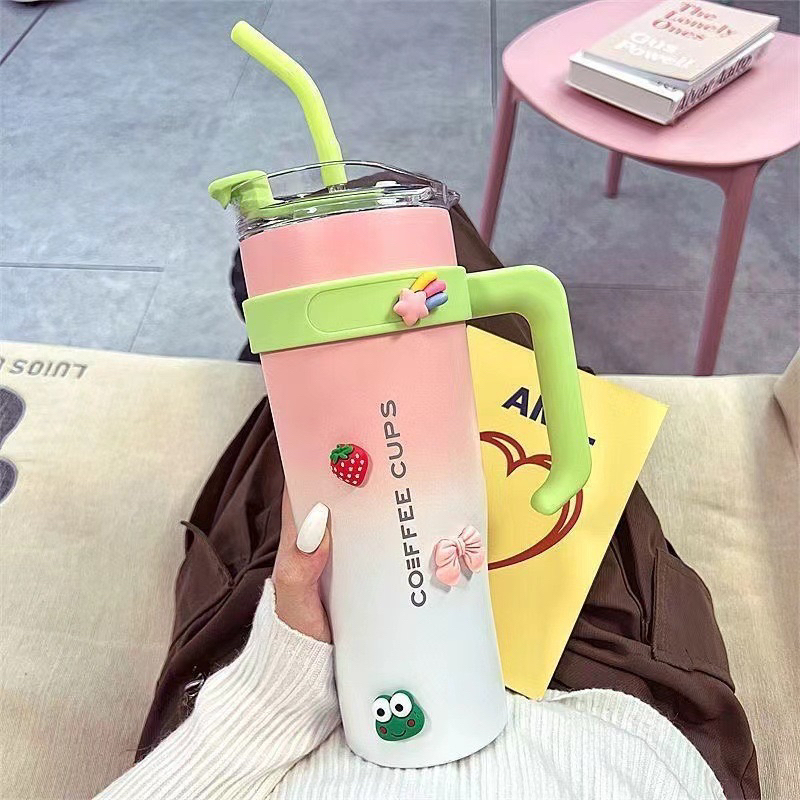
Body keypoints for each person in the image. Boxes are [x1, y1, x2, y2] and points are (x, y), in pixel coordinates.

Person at [96, 493, 725, 799]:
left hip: (294, 699)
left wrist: (279, 684)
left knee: (318, 399)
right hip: (585, 682)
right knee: (516, 361)